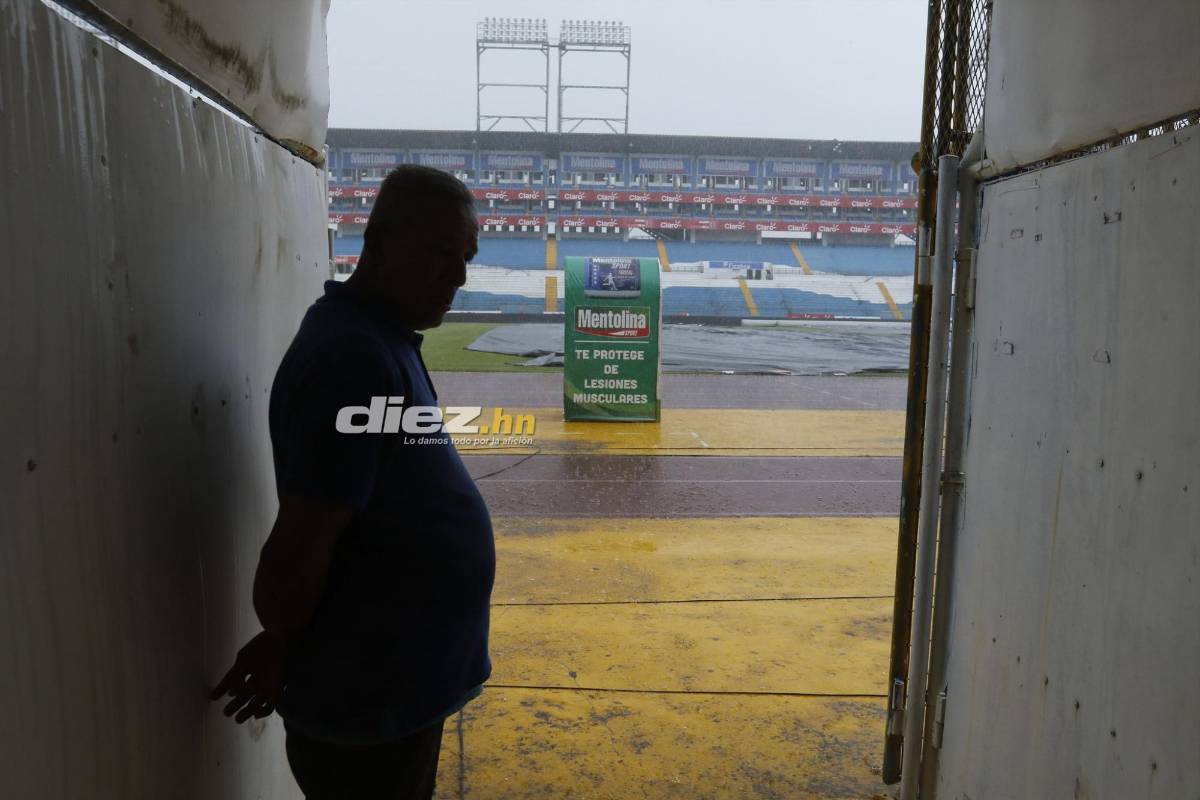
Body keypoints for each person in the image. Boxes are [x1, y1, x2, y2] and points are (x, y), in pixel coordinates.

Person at [210, 165, 494, 799]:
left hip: (391, 695)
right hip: (369, 705)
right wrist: (282, 635)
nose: (459, 276)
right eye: (442, 253)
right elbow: (306, 533)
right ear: (380, 241)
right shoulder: (353, 358)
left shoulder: (380, 339)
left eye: (468, 256)